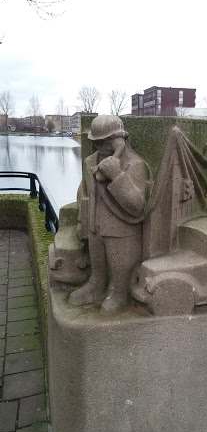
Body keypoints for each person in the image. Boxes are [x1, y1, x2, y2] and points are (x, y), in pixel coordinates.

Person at [69, 115, 148, 314]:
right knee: (98, 268)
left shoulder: (135, 164)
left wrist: (116, 175)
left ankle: (119, 293)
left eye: (104, 142)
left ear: (119, 140)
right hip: (95, 226)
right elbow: (84, 193)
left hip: (121, 230)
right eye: (95, 142)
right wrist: (82, 222)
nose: (99, 147)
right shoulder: (90, 162)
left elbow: (137, 206)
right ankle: (96, 286)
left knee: (118, 265)